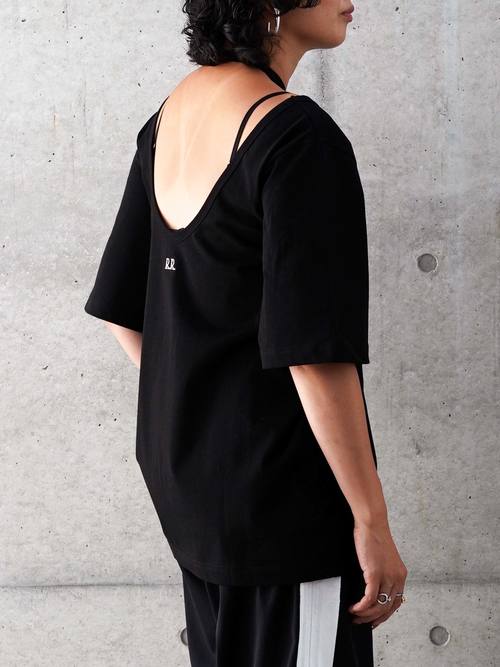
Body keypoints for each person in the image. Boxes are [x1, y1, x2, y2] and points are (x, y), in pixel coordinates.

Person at [84, 1, 408, 664]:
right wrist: (371, 521)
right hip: (284, 506)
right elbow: (315, 355)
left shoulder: (169, 117)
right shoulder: (298, 137)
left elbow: (123, 308)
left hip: (190, 490)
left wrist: (203, 414)